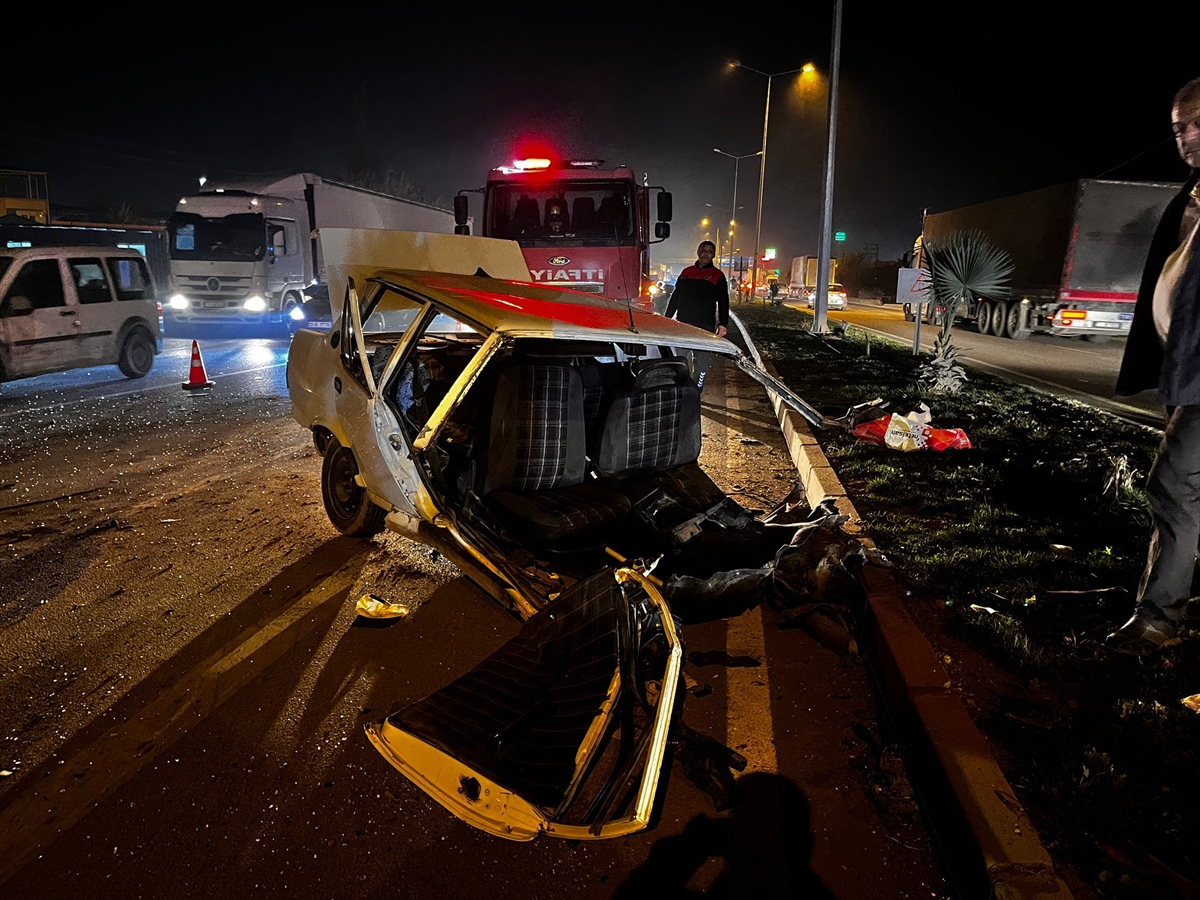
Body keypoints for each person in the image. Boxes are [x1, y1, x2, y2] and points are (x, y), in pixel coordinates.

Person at [1106, 76, 1200, 655]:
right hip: (1185, 371)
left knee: (1171, 485)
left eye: (1199, 124)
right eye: (1178, 129)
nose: (1188, 138)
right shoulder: (1191, 196)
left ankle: (1159, 618)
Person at [665, 240, 729, 389]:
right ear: (698, 252)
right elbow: (676, 296)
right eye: (703, 250)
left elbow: (723, 301)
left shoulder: (717, 275)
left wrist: (723, 323)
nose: (705, 253)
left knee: (702, 363)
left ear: (713, 255)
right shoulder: (686, 272)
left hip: (704, 326)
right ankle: (682, 389)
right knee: (680, 360)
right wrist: (667, 318)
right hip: (683, 324)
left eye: (709, 251)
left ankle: (696, 390)